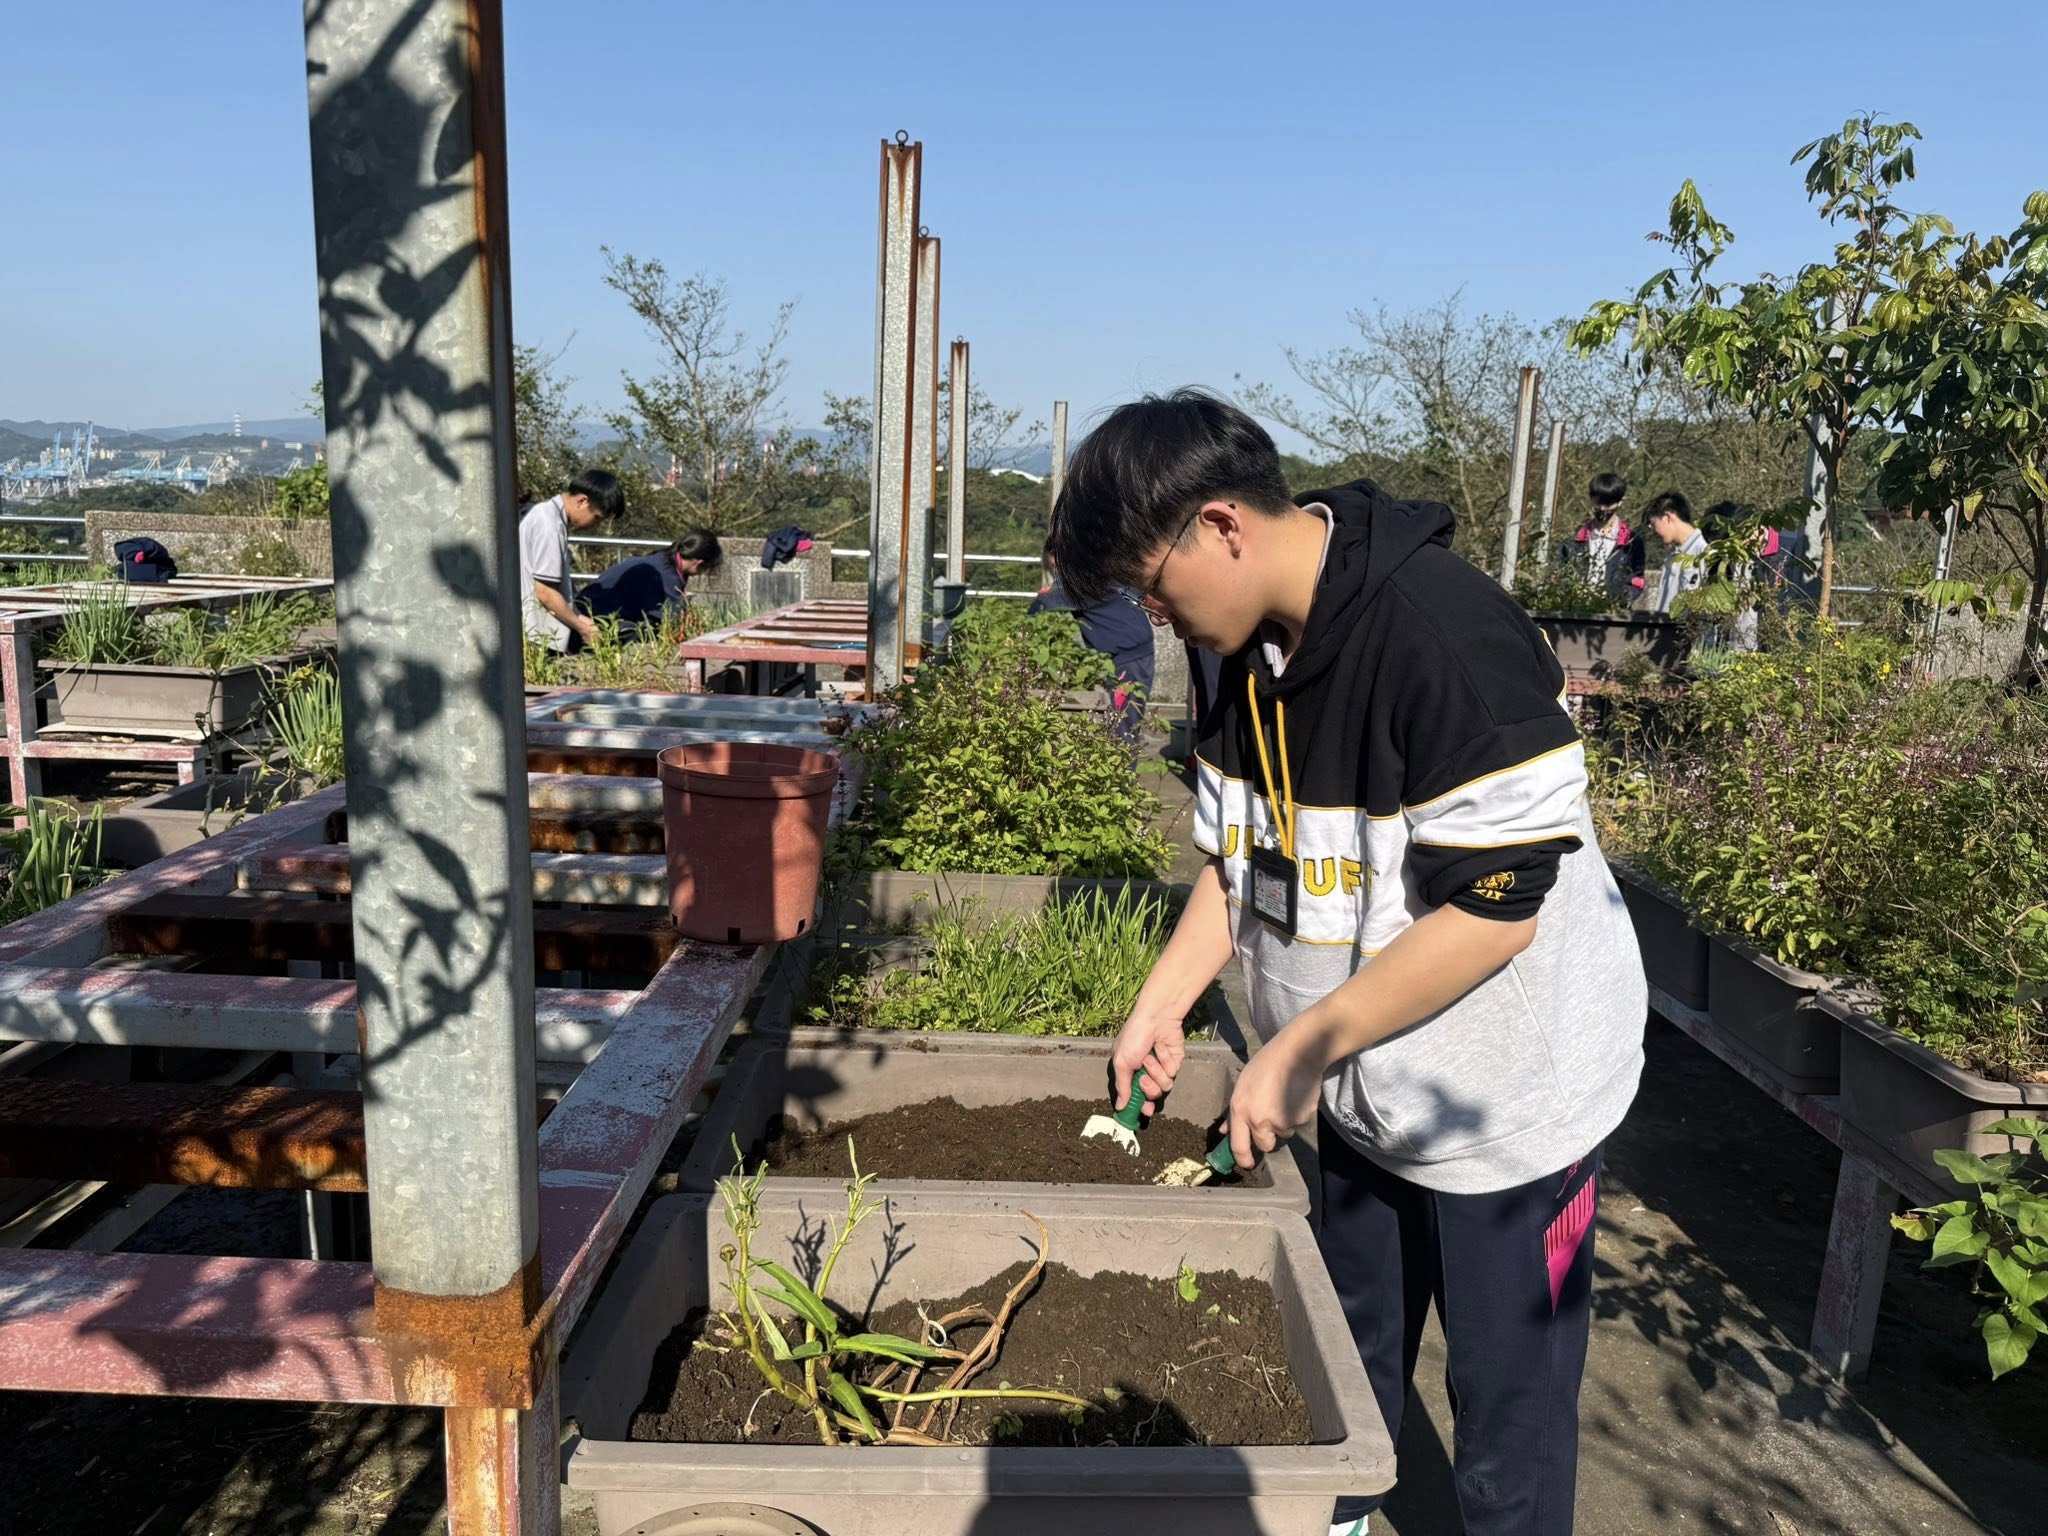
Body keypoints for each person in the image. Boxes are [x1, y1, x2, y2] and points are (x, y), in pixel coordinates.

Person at [1048, 389, 1645, 1536]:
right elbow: (1240, 859)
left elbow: (1497, 909)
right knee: (1344, 1363)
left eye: (1151, 587)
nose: (1153, 618)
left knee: (1506, 1432)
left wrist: (1300, 1049)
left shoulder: (1440, 633)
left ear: (1220, 526)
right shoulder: (1233, 653)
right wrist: (1162, 1000)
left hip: (1506, 1106)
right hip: (1363, 1092)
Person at [1028, 541, 1156, 739]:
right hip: (1133, 652)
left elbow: (1044, 607)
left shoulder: (1080, 578)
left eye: (1056, 565)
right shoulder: (1096, 568)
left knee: (1122, 726)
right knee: (1121, 722)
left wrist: (1022, 633)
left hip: (1129, 657)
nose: (1057, 571)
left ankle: (1123, 759)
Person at [519, 468, 624, 652]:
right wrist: (582, 627)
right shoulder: (550, 526)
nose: (595, 526)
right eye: (597, 518)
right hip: (537, 637)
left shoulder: (547, 515)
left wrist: (580, 618)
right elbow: (545, 592)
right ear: (582, 501)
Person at [580, 529, 723, 631]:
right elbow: (671, 622)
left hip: (587, 607)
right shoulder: (668, 577)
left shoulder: (662, 559)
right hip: (594, 620)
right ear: (699, 564)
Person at [1558, 471, 1646, 604]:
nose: (1602, 509)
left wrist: (1619, 600)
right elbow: (1561, 572)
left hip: (1611, 611)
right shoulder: (1573, 540)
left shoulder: (1632, 542)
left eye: (1608, 504)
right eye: (1598, 503)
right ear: (1591, 499)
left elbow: (1637, 581)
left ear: (1620, 502)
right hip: (1575, 609)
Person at [1645, 490, 1709, 615]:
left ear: (1667, 517)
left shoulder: (1703, 551)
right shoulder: (1672, 555)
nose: (1654, 531)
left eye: (1653, 524)